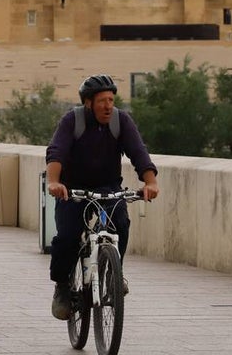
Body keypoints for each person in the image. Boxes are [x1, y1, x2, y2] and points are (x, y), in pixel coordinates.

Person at [45, 74, 159, 321]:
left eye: (111, 100)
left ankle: (113, 275)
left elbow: (138, 152)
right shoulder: (72, 121)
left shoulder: (121, 121)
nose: (108, 106)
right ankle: (62, 287)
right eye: (102, 101)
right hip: (73, 188)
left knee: (121, 224)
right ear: (88, 103)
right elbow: (57, 152)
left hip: (108, 188)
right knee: (68, 236)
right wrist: (54, 181)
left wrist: (150, 181)